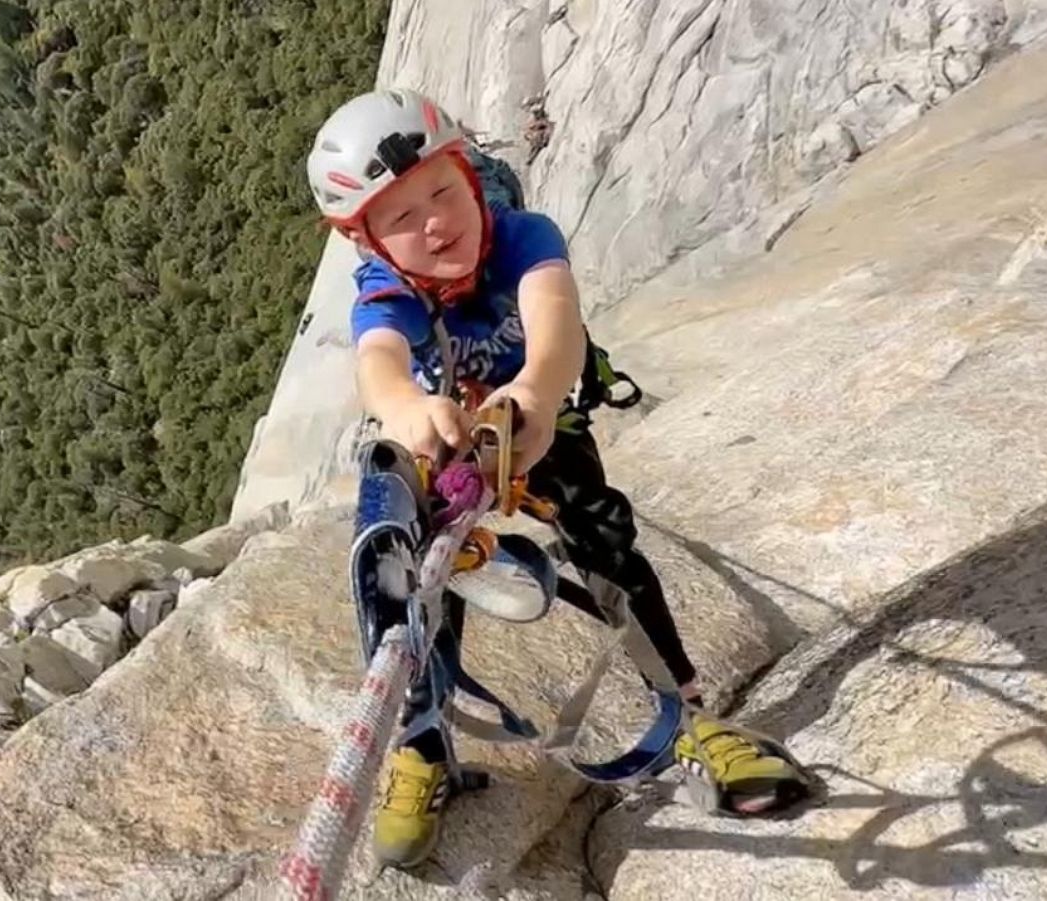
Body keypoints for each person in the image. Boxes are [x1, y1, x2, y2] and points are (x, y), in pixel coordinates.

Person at [305, 88, 808, 869]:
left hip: (534, 418)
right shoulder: (387, 290)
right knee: (416, 581)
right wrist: (407, 408)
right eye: (401, 217)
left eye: (442, 190)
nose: (435, 221)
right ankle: (421, 741)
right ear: (369, 243)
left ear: (471, 180)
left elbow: (554, 322)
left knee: (603, 537)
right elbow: (379, 361)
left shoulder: (521, 236)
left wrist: (536, 396)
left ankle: (687, 715)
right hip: (449, 437)